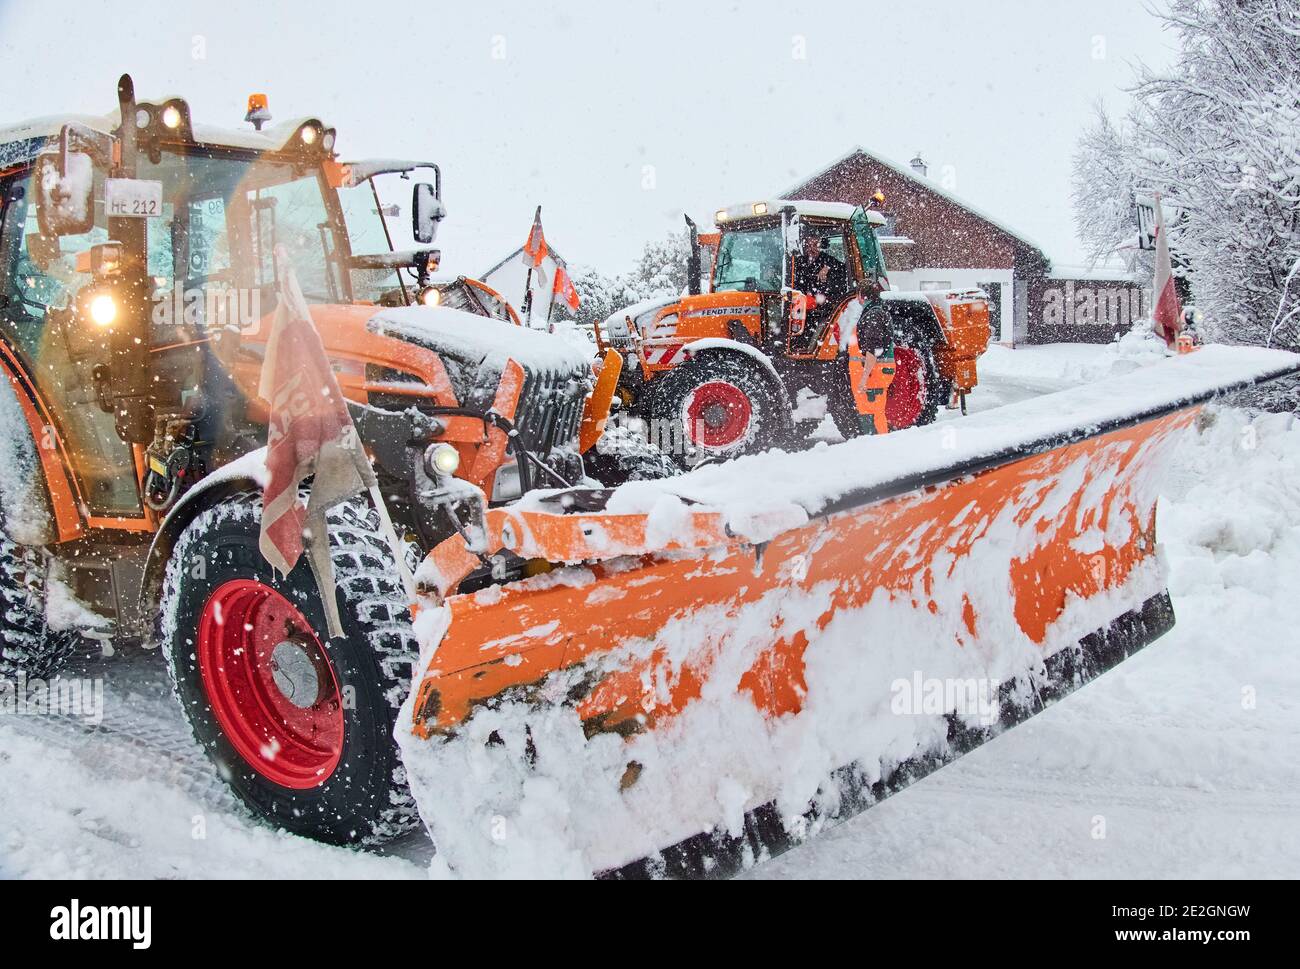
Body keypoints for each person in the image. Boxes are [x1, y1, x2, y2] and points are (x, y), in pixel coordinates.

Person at [792, 233, 849, 304]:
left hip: (824, 308)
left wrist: (828, 268)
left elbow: (846, 271)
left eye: (815, 245)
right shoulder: (799, 261)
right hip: (801, 304)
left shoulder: (828, 260)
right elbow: (794, 281)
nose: (811, 249)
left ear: (820, 246)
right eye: (808, 246)